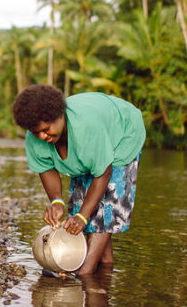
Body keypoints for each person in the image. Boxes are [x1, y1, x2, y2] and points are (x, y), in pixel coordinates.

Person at [12, 85, 145, 275]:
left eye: (46, 129)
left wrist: (83, 217)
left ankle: (85, 274)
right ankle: (105, 266)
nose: (42, 136)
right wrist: (57, 201)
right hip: (90, 147)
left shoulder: (87, 128)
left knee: (103, 211)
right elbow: (46, 169)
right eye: (36, 132)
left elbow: (103, 174)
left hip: (123, 133)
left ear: (61, 116)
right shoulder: (36, 138)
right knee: (81, 206)